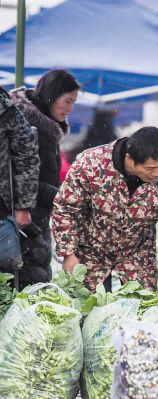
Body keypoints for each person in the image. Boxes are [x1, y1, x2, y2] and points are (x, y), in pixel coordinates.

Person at [52, 126, 158, 292]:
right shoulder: (91, 163)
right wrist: (68, 253)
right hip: (90, 250)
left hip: (137, 255)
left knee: (139, 311)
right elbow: (66, 207)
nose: (156, 174)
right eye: (150, 168)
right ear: (129, 159)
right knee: (87, 307)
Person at [10, 69, 80, 287]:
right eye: (67, 101)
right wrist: (60, 196)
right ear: (51, 95)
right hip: (22, 222)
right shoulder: (26, 127)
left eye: (73, 103)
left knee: (33, 280)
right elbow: (16, 178)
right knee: (25, 282)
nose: (70, 109)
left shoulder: (46, 129)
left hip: (36, 218)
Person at [0, 86, 39, 277]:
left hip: (2, 209)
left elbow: (26, 152)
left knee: (6, 272)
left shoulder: (4, 108)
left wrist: (23, 205)